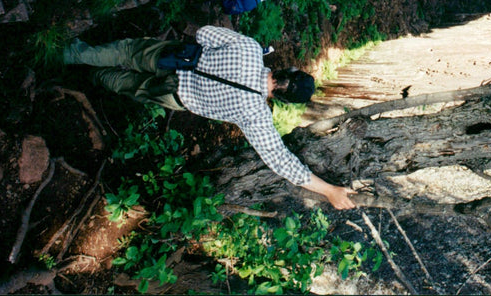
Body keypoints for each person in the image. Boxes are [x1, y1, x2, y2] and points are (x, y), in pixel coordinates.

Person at [63, 25, 356, 210]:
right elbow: (280, 160)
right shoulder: (255, 115)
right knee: (125, 85)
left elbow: (203, 33)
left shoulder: (250, 49)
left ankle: (70, 53)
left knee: (125, 52)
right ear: (282, 100)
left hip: (173, 57)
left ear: (288, 70)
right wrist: (329, 190)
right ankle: (95, 77)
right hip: (175, 95)